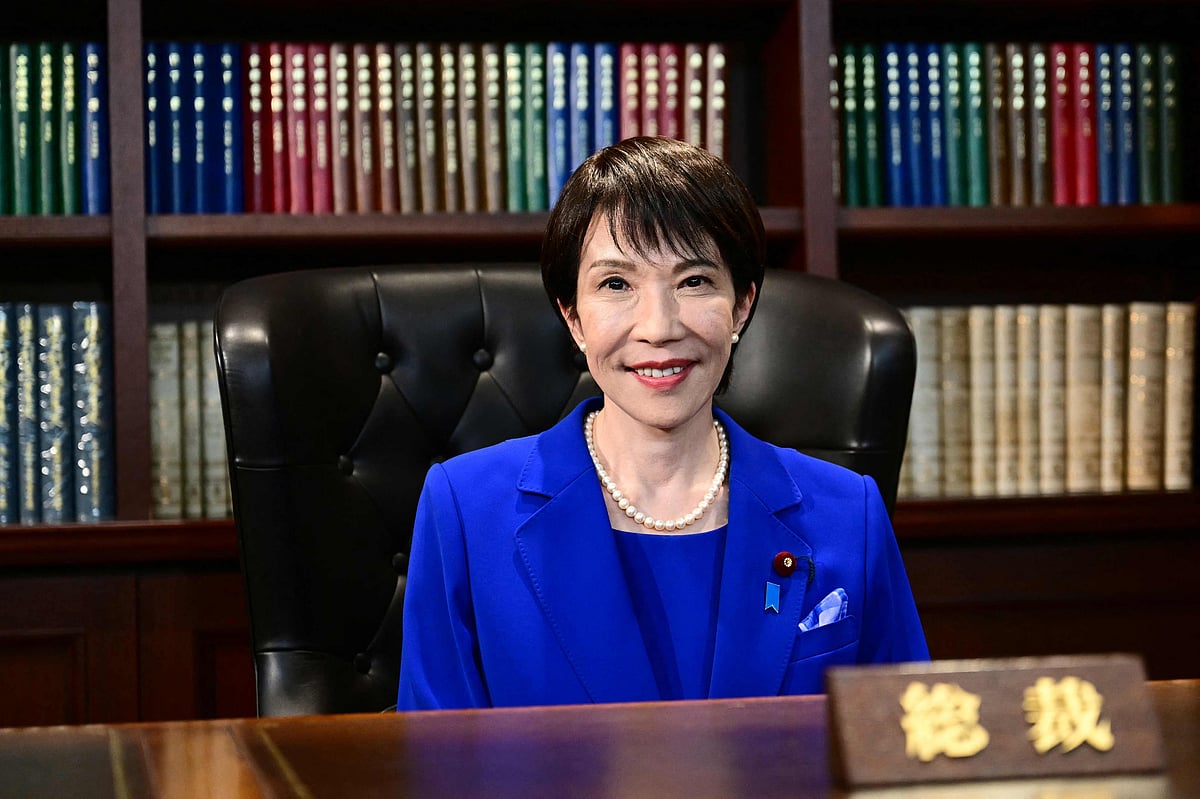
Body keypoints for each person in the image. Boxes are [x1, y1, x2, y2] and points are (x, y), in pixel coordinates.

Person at [397, 137, 928, 710]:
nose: (658, 327)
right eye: (616, 285)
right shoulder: (464, 507)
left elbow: (904, 751)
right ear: (572, 317)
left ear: (742, 306)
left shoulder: (851, 513)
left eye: (694, 281)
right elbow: (436, 763)